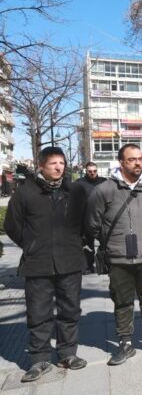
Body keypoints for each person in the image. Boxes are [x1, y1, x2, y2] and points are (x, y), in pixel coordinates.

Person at [5, 147, 89, 382]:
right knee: (38, 312)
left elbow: (86, 221)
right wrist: (30, 244)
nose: (58, 167)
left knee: (70, 310)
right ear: (41, 166)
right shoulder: (25, 192)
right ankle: (39, 358)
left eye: (61, 163)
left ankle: (67, 353)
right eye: (53, 163)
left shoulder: (75, 191)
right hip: (37, 262)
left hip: (70, 260)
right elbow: (12, 225)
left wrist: (77, 243)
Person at [86, 144, 142, 366]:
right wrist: (113, 240)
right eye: (132, 159)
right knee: (122, 301)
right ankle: (125, 343)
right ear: (121, 162)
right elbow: (92, 223)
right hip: (118, 257)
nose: (138, 163)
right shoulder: (104, 190)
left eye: (141, 159)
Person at [75, 162, 107, 273]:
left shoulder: (104, 182)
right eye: (90, 171)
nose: (92, 173)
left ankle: (105, 265)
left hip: (102, 218)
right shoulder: (79, 183)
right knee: (87, 244)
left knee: (105, 242)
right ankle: (88, 266)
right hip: (85, 218)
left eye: (94, 171)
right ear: (86, 171)